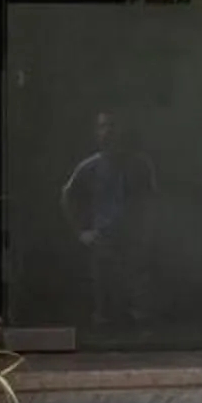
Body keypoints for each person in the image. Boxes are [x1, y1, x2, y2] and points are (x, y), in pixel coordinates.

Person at [61, 111, 157, 333]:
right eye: (103, 126)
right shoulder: (90, 166)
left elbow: (150, 202)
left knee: (139, 300)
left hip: (134, 241)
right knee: (104, 301)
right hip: (103, 241)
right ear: (97, 132)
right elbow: (67, 196)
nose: (109, 132)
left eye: (113, 126)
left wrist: (148, 234)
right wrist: (81, 231)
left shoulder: (140, 164)